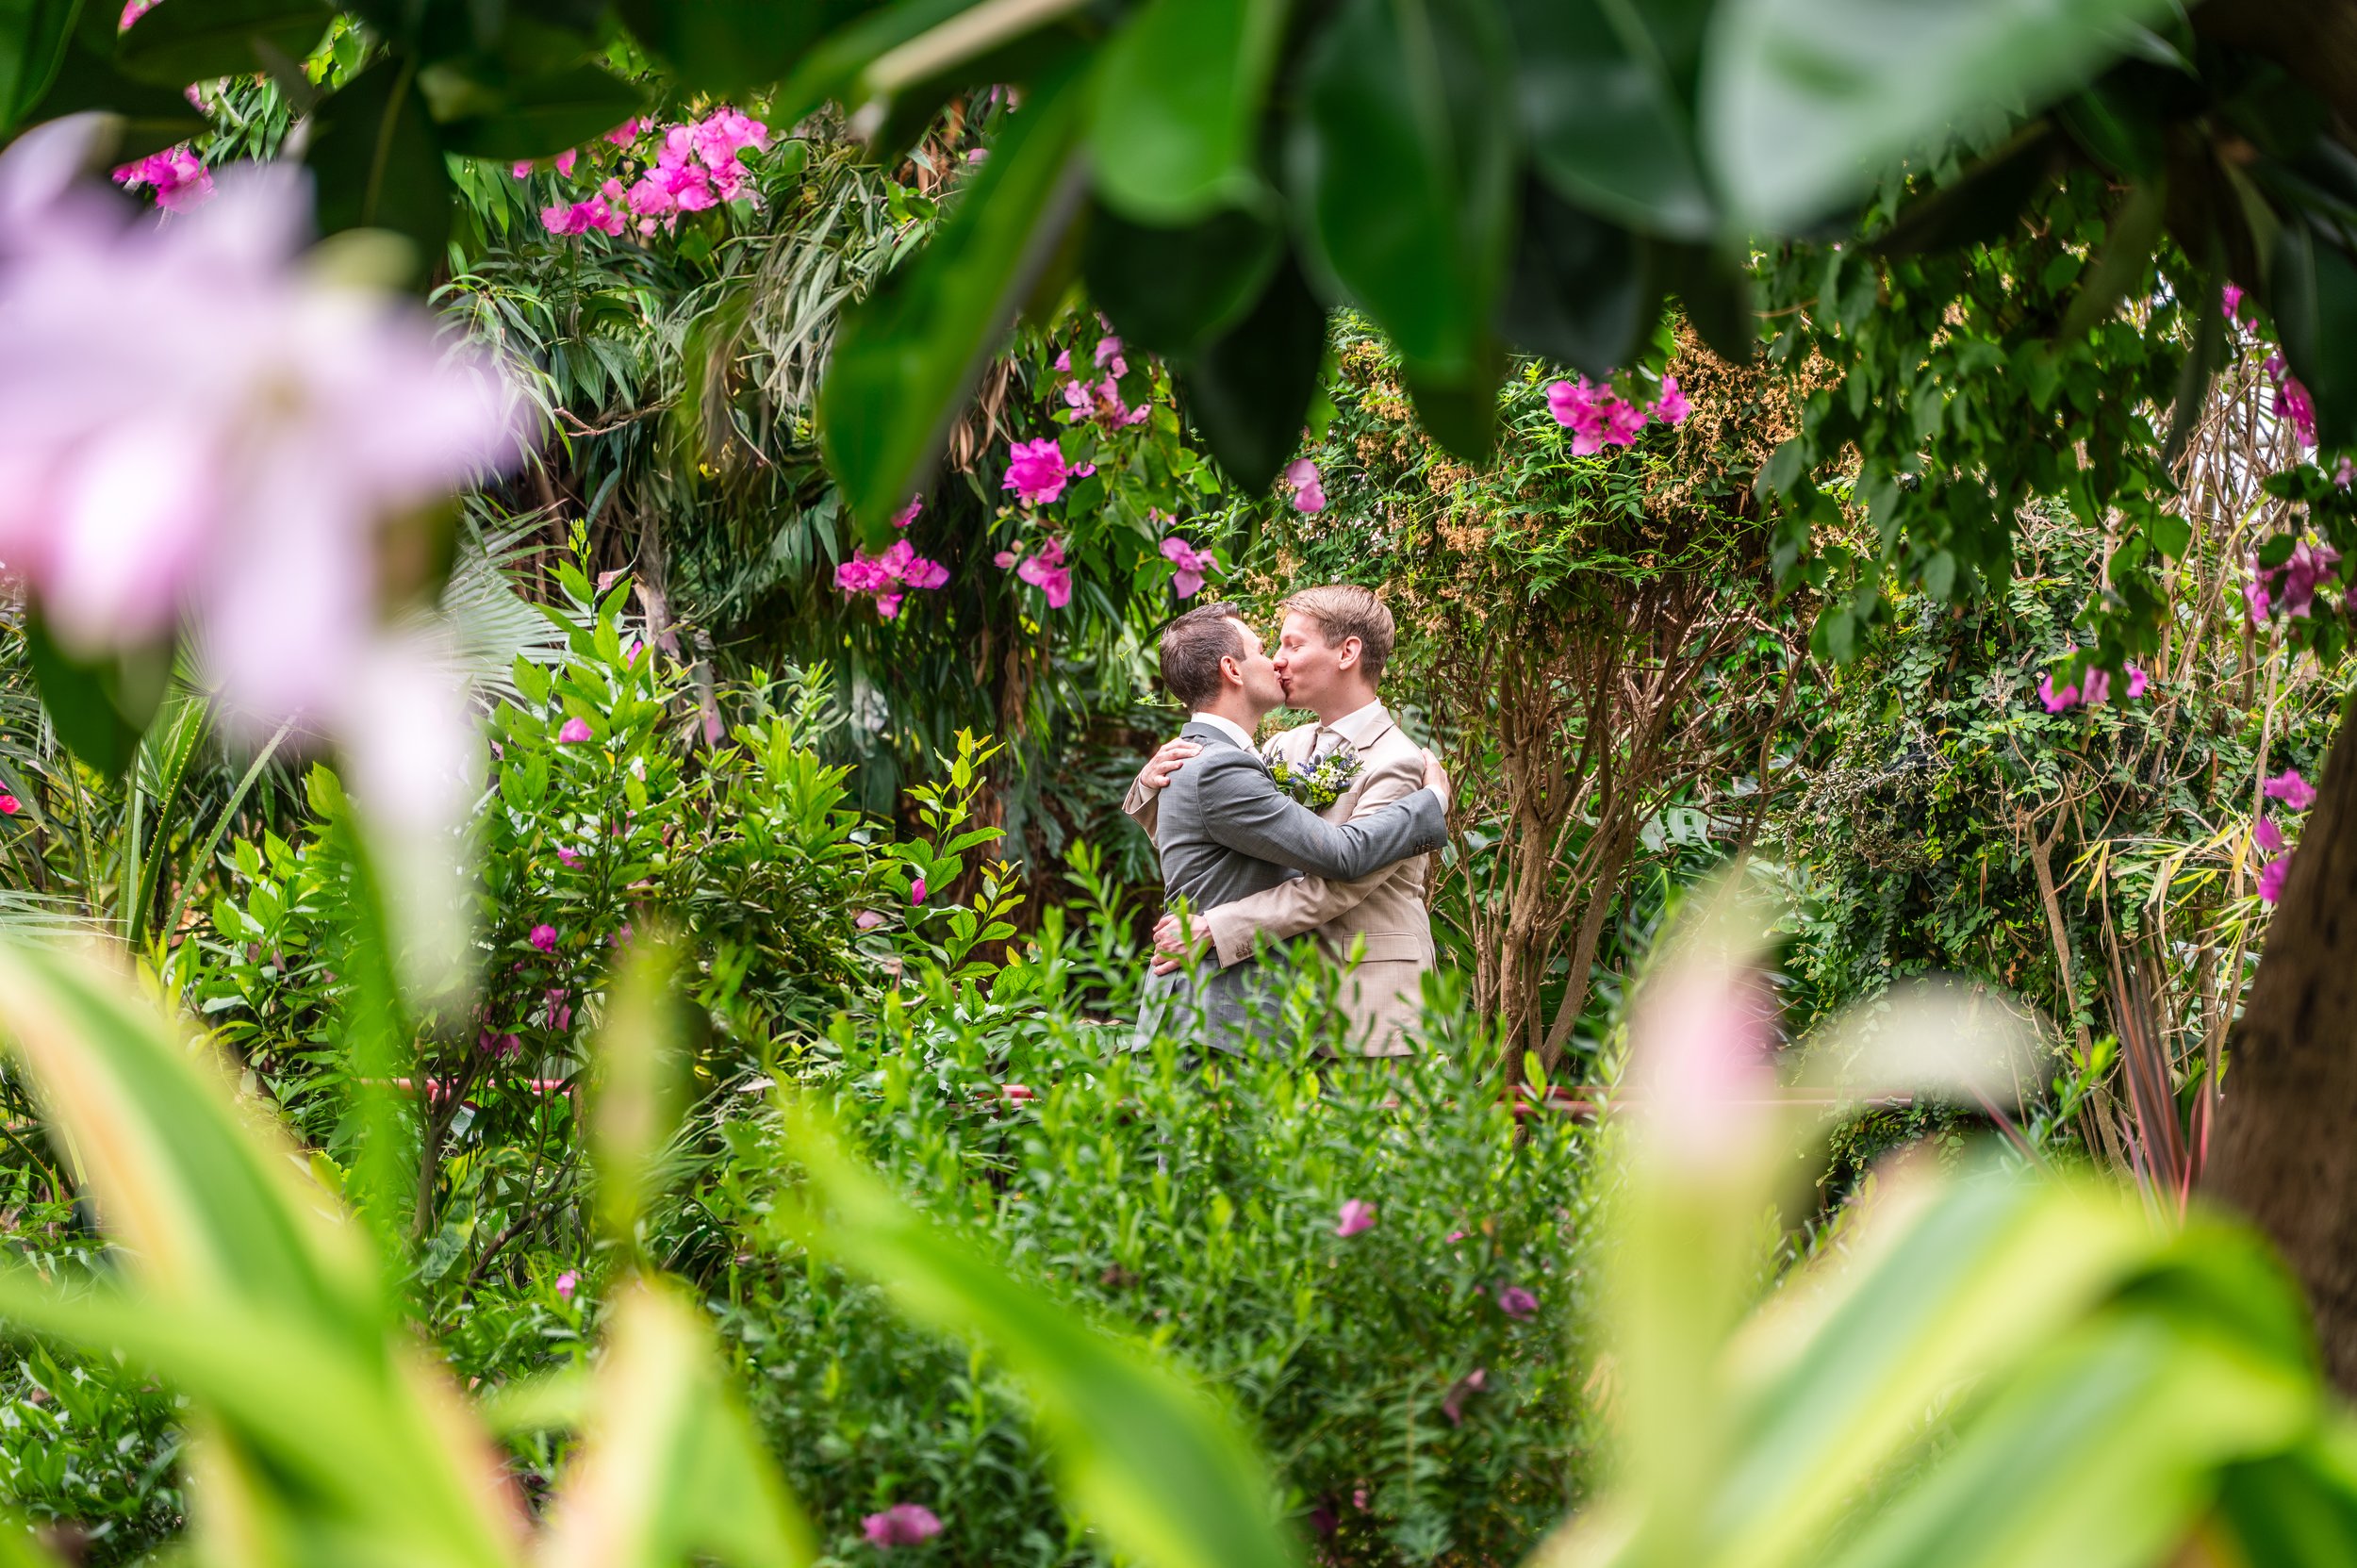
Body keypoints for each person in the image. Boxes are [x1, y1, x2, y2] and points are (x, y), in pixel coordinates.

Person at [1126, 586, 1439, 1056]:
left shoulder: (1400, 761)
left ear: (1347, 652)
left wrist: (1219, 926)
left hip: (1373, 1008)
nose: (1277, 660)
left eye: (1293, 645)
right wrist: (1156, 787)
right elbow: (1222, 848)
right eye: (1272, 647)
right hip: (1284, 1011)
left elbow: (1341, 880)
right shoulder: (1280, 749)